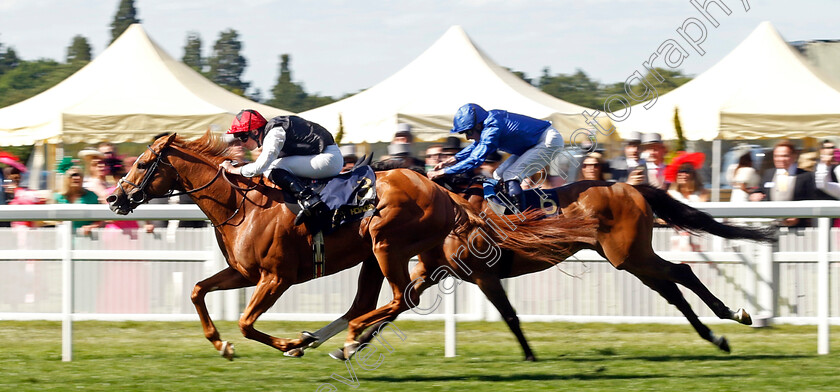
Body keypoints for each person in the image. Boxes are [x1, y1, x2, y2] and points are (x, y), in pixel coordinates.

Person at [428, 103, 564, 210]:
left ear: (479, 125)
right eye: (464, 133)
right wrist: (455, 159)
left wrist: (443, 172)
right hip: (532, 144)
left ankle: (522, 221)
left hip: (547, 141)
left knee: (511, 175)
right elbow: (477, 144)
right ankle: (510, 212)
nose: (468, 136)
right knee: (498, 175)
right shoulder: (487, 124)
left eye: (468, 131)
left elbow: (476, 159)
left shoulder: (493, 126)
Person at [219, 109, 343, 226]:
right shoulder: (273, 130)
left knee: (270, 168)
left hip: (328, 159)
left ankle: (309, 199)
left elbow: (261, 167)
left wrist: (233, 170)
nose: (241, 143)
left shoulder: (274, 133)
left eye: (242, 137)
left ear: (255, 132)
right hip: (322, 155)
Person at [750, 140, 811, 227]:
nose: (780, 159)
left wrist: (799, 217)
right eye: (777, 156)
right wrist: (755, 195)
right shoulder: (768, 174)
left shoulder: (806, 176)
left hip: (798, 229)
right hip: (773, 225)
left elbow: (812, 200)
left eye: (785, 156)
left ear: (794, 156)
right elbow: (760, 190)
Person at [55, 166, 102, 235]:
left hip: (87, 238)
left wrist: (91, 227)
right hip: (64, 238)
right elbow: (51, 220)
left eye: (80, 175)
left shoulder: (92, 196)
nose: (77, 178)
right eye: (73, 175)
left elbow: (101, 220)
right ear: (66, 178)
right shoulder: (58, 198)